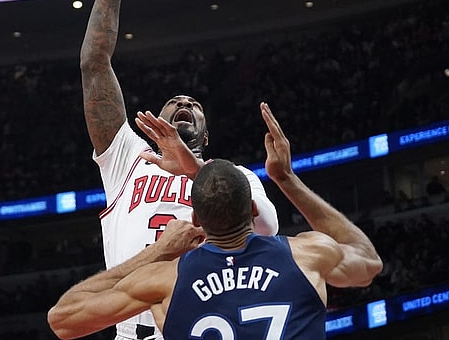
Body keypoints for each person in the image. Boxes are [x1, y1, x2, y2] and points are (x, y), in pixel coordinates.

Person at [78, 0, 278, 340]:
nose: (184, 102)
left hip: (210, 326)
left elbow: (266, 228)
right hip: (135, 331)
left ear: (206, 135)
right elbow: (94, 64)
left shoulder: (234, 178)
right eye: (173, 102)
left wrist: (194, 168)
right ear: (156, 122)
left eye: (192, 104)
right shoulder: (127, 157)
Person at [48, 102, 383, 339]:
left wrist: (159, 251)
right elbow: (367, 260)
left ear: (194, 218)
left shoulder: (169, 280)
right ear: (252, 209)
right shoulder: (305, 255)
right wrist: (286, 179)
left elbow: (63, 319)